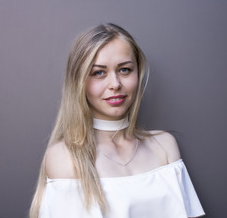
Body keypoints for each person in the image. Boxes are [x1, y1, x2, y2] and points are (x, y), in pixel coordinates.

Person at [29, 23, 205, 218]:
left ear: (138, 72)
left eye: (124, 70)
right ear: (78, 81)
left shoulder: (163, 145)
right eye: (98, 72)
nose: (115, 84)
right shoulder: (65, 156)